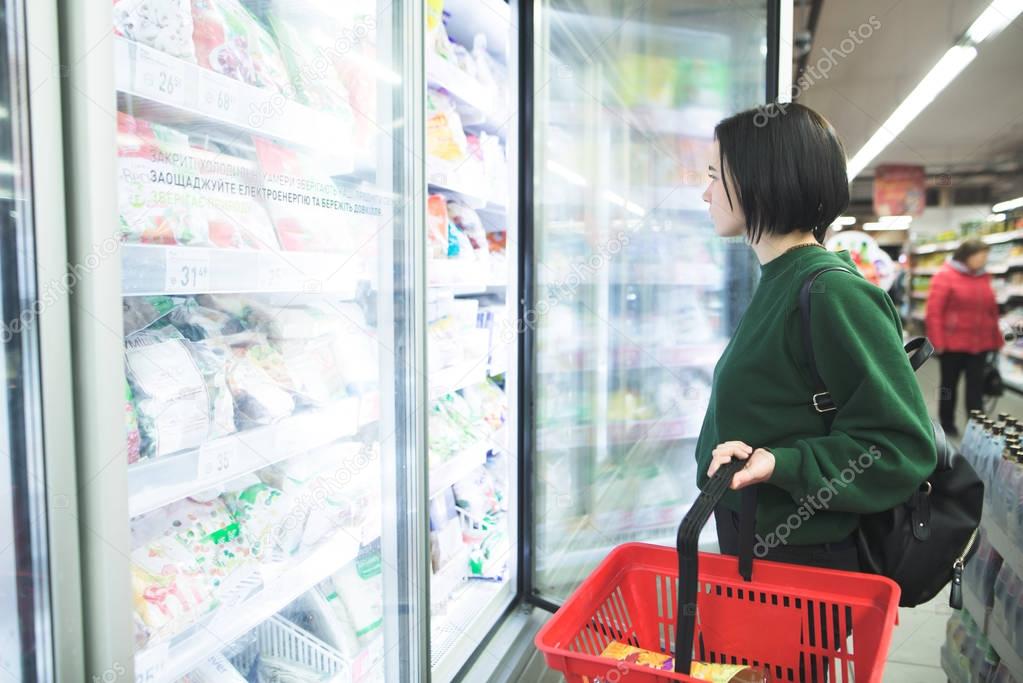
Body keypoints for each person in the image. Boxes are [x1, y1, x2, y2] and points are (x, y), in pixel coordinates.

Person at [695, 103, 937, 574]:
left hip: (805, 558)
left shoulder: (831, 292)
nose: (705, 194)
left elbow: (901, 447)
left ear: (760, 180)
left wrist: (783, 464)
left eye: (714, 176)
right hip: (758, 540)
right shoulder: (780, 279)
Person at [925, 239, 1004, 436]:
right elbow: (934, 312)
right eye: (981, 256)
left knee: (975, 388)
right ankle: (947, 423)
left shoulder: (984, 277)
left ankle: (976, 426)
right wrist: (938, 342)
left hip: (980, 344)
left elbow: (991, 312)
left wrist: (997, 339)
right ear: (967, 255)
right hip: (953, 344)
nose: (984, 260)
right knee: (948, 387)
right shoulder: (945, 276)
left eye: (986, 256)